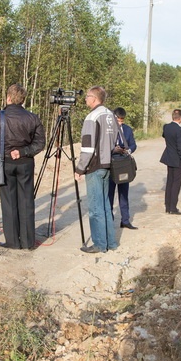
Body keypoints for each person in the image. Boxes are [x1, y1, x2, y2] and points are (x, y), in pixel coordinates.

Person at [0, 83, 45, 250]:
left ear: (8, 98)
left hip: (4, 163)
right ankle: (28, 242)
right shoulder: (33, 118)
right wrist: (23, 151)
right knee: (26, 201)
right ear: (23, 99)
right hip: (25, 163)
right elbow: (40, 143)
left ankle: (12, 241)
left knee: (9, 202)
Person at [74, 86, 120, 253]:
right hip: (108, 165)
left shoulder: (92, 117)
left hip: (94, 166)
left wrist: (79, 169)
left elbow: (87, 147)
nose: (85, 99)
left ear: (94, 98)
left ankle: (100, 244)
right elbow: (115, 141)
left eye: (87, 97)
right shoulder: (110, 115)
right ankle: (111, 242)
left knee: (95, 208)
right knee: (106, 205)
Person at [109, 107, 138, 230]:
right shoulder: (108, 131)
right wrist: (113, 149)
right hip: (111, 164)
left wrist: (128, 150)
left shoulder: (127, 130)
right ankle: (109, 220)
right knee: (109, 194)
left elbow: (133, 144)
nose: (120, 123)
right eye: (118, 120)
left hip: (124, 163)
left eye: (122, 120)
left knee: (124, 193)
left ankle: (125, 220)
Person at [160, 109, 181, 215]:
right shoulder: (179, 130)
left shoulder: (166, 127)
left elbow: (164, 135)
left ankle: (168, 206)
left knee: (169, 182)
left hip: (169, 158)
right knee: (176, 184)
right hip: (178, 160)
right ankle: (173, 207)